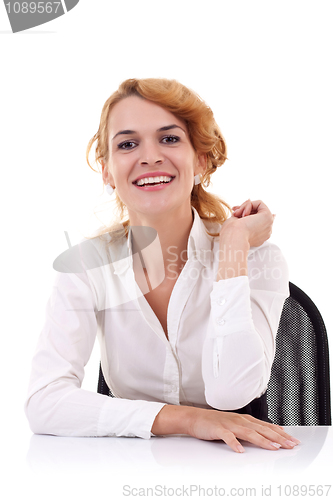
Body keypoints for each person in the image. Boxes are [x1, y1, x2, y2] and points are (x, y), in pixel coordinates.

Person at [24, 78, 300, 453]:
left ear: (200, 159)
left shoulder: (258, 258)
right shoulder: (88, 266)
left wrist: (233, 247)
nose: (150, 156)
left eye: (169, 139)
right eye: (127, 144)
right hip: (131, 471)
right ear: (107, 171)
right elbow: (44, 402)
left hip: (241, 467)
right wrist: (185, 419)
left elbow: (231, 391)